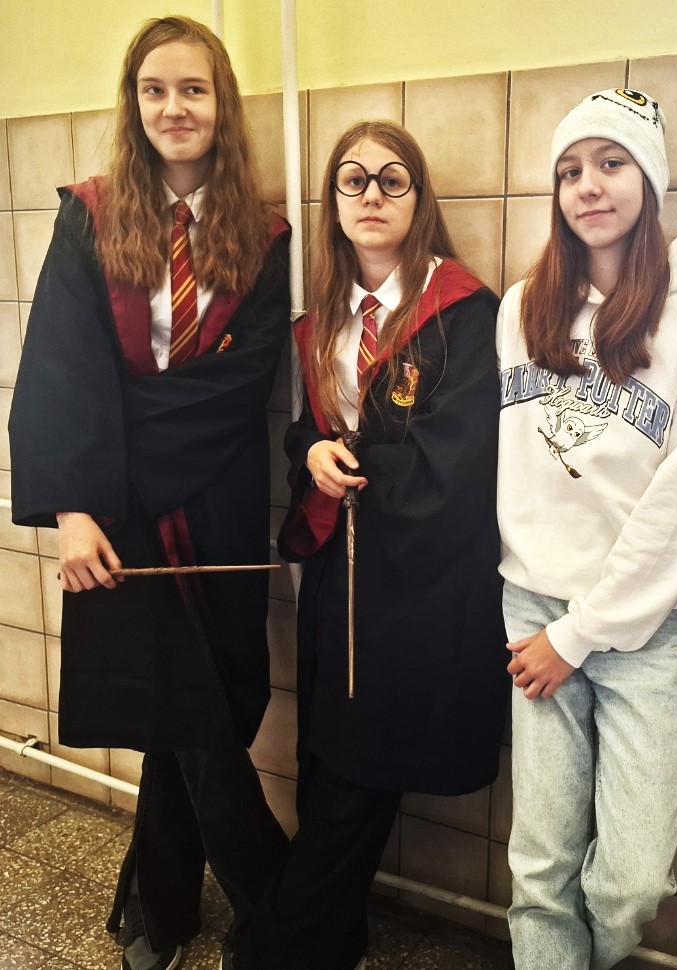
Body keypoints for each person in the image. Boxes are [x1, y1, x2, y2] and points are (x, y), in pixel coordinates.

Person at [8, 15, 293, 970]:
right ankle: (275, 911)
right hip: (113, 511)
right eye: (155, 89)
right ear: (134, 104)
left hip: (214, 497)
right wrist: (76, 510)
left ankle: (157, 907)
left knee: (200, 698)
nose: (175, 107)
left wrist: (122, 443)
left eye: (194, 89)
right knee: (178, 704)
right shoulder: (90, 217)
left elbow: (239, 382)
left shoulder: (263, 236)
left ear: (223, 105)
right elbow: (62, 367)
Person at [224, 120, 507, 970]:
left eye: (392, 179)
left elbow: (460, 459)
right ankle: (328, 938)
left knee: (359, 770)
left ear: (419, 199)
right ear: (334, 202)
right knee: (326, 760)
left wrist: (355, 464)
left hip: (415, 585)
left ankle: (285, 950)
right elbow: (305, 434)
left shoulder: (466, 313)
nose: (372, 195)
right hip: (335, 579)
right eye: (353, 180)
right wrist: (313, 453)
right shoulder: (322, 326)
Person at [497, 89, 677, 969]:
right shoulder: (522, 309)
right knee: (542, 862)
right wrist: (549, 623)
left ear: (650, 180)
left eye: (611, 163)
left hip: (651, 627)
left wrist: (581, 633)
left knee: (630, 882)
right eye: (569, 171)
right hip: (535, 603)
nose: (588, 186)